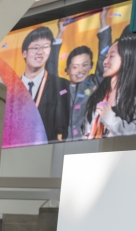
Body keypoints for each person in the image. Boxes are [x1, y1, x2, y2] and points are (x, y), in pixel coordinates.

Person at [46, 9, 112, 140]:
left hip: (89, 146)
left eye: (84, 65)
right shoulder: (60, 87)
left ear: (91, 66)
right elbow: (50, 69)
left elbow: (104, 56)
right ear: (67, 70)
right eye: (75, 67)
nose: (80, 70)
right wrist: (60, 33)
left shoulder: (95, 82)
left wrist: (103, 20)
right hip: (60, 147)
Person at [84, 34, 136, 138]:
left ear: (127, 57)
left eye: (111, 56)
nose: (105, 62)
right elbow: (85, 131)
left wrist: (109, 118)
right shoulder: (101, 92)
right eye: (106, 56)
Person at [21, 26, 70, 141]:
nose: (40, 52)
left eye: (45, 47)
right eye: (35, 47)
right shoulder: (10, 91)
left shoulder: (62, 86)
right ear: (24, 53)